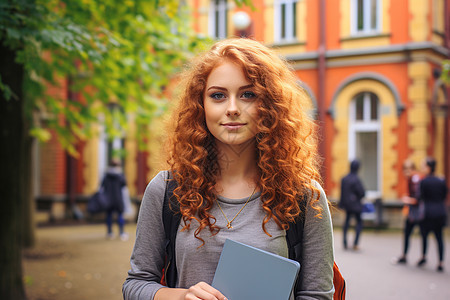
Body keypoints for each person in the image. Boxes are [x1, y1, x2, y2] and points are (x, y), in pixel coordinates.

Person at [123, 38, 334, 300]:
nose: (232, 109)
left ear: (269, 106)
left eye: (248, 94)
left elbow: (317, 295)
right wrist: (180, 297)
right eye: (218, 95)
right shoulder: (167, 190)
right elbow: (136, 284)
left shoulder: (304, 196)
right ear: (200, 105)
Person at [416, 157, 448, 272]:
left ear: (429, 168)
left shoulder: (424, 181)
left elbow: (420, 197)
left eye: (424, 166)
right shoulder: (441, 180)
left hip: (428, 212)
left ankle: (424, 256)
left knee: (424, 236)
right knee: (439, 237)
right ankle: (441, 261)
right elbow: (445, 194)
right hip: (440, 212)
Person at [396, 159, 423, 264]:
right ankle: (405, 255)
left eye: (409, 169)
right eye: (405, 169)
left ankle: (421, 256)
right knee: (407, 233)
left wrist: (409, 200)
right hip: (413, 211)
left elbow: (418, 197)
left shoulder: (415, 179)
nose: (406, 172)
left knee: (422, 233)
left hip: (418, 211)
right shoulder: (410, 179)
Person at [339, 160, 365, 250]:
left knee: (346, 222)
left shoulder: (344, 179)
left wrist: (341, 204)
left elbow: (342, 193)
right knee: (359, 223)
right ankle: (355, 243)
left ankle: (345, 242)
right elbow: (362, 193)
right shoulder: (357, 179)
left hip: (347, 205)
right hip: (356, 205)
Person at [102, 159, 130, 241]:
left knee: (109, 216)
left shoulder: (107, 175)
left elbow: (102, 186)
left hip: (108, 199)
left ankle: (109, 233)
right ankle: (121, 233)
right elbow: (124, 186)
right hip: (118, 199)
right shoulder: (120, 175)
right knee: (120, 216)